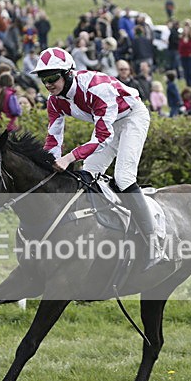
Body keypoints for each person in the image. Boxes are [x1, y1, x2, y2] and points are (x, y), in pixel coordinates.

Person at [31, 46, 161, 270]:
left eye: (52, 77)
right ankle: (106, 235)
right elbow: (53, 138)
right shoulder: (54, 101)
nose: (48, 83)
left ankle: (153, 241)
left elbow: (103, 136)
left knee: (123, 178)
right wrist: (50, 165)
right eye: (44, 78)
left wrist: (69, 158)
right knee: (86, 176)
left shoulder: (97, 88)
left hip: (131, 118)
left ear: (68, 73)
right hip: (108, 124)